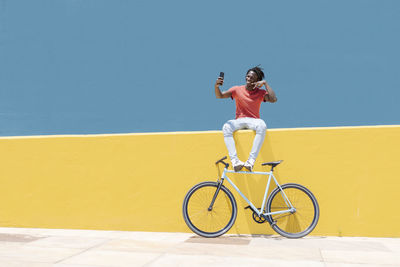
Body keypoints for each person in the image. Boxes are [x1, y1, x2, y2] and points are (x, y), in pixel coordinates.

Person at [214, 66, 277, 172]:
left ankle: (250, 162)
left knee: (262, 125)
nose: (249, 79)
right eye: (248, 76)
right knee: (226, 127)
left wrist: (265, 84)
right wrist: (216, 86)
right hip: (239, 120)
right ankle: (235, 162)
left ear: (257, 80)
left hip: (253, 120)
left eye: (252, 77)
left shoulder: (260, 92)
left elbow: (273, 99)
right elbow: (220, 96)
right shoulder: (237, 89)